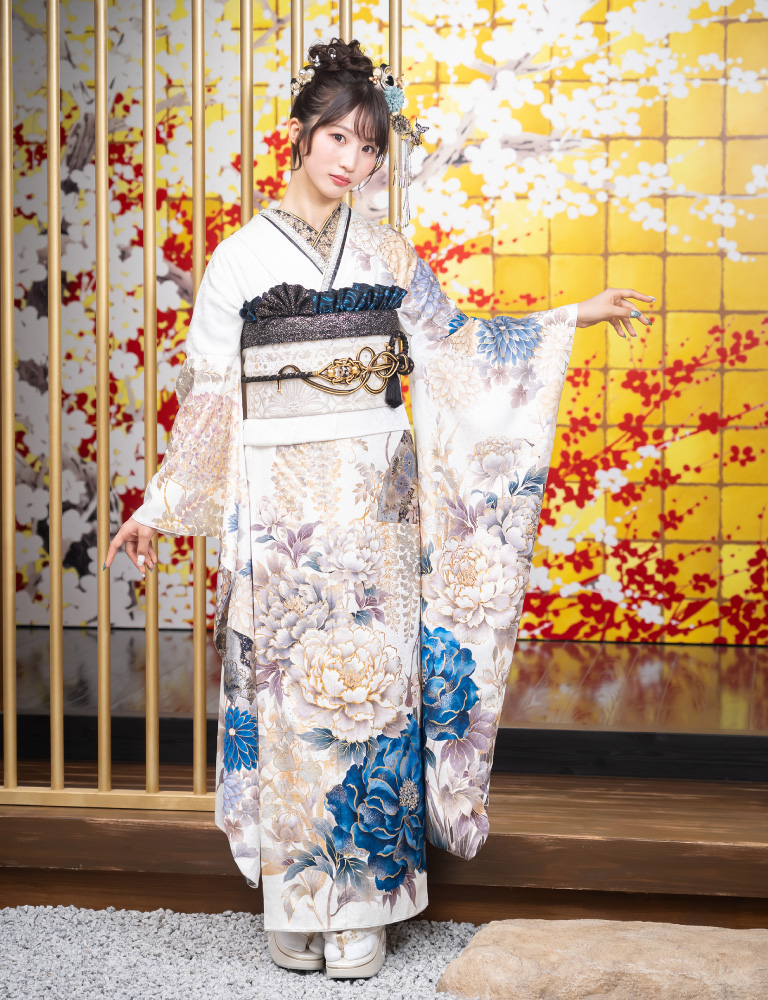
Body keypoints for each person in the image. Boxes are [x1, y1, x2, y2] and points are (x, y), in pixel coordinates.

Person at [104, 36, 653, 980]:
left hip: (375, 497)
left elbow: (460, 349)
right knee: (291, 695)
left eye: (369, 148)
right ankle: (297, 894)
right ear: (298, 134)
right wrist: (160, 506)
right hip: (279, 506)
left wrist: (570, 316)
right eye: (338, 139)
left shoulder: (390, 252)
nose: (352, 162)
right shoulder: (238, 260)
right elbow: (210, 399)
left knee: (374, 696)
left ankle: (362, 906)